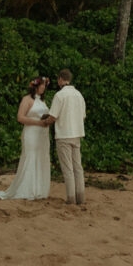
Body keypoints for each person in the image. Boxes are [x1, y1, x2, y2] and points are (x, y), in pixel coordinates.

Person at [0, 76, 51, 200]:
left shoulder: (42, 101)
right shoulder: (26, 99)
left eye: (44, 85)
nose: (43, 87)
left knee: (40, 158)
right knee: (30, 158)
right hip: (31, 133)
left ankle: (38, 190)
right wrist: (38, 123)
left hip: (42, 135)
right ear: (35, 86)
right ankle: (28, 190)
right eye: (41, 85)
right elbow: (20, 117)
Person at [42, 69, 86, 205]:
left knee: (68, 169)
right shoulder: (79, 95)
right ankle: (81, 198)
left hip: (64, 135)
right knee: (78, 168)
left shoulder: (60, 95)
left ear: (61, 79)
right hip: (77, 134)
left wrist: (44, 122)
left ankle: (71, 199)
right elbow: (83, 116)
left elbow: (53, 116)